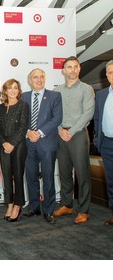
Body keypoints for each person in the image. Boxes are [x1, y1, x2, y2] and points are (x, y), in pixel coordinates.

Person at [53, 56, 95, 224]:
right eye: (68, 67)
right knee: (64, 172)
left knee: (82, 173)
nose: (72, 70)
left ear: (79, 69)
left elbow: (88, 113)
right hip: (61, 134)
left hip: (77, 134)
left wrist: (71, 130)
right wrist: (59, 130)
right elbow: (53, 114)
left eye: (75, 67)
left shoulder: (86, 89)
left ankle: (84, 210)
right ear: (63, 70)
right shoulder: (57, 91)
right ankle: (67, 204)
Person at [21, 69, 63, 224]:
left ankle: (49, 210)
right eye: (35, 77)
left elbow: (57, 118)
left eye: (41, 77)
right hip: (28, 143)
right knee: (30, 176)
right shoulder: (23, 97)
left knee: (48, 177)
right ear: (30, 80)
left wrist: (39, 132)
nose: (39, 80)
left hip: (47, 143)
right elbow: (20, 119)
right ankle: (34, 207)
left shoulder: (54, 96)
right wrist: (27, 132)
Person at [0, 79, 29, 222]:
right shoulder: (0, 108)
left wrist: (12, 144)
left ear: (19, 90)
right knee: (7, 176)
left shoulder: (23, 105)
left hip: (19, 145)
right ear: (5, 90)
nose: (13, 90)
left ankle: (18, 205)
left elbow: (23, 127)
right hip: (3, 145)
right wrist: (4, 143)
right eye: (10, 88)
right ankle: (9, 204)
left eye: (16, 87)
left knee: (18, 176)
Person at [93, 60, 113, 226]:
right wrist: (98, 141)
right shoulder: (101, 94)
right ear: (106, 75)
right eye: (110, 72)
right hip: (107, 144)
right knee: (111, 181)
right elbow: (97, 119)